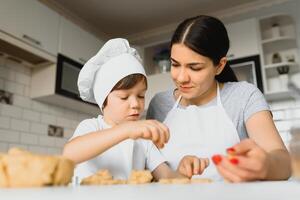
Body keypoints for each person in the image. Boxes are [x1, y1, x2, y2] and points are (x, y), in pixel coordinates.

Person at [146, 15, 291, 182]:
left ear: (220, 65)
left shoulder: (244, 96)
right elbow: (147, 164)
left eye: (195, 67)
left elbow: (283, 162)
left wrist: (266, 166)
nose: (181, 78)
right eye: (175, 64)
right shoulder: (158, 104)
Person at [63, 38, 206, 183]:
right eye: (124, 97)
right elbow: (69, 154)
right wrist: (125, 130)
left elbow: (167, 177)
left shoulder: (144, 140)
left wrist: (182, 171)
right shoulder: (92, 127)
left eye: (141, 96)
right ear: (103, 101)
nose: (135, 104)